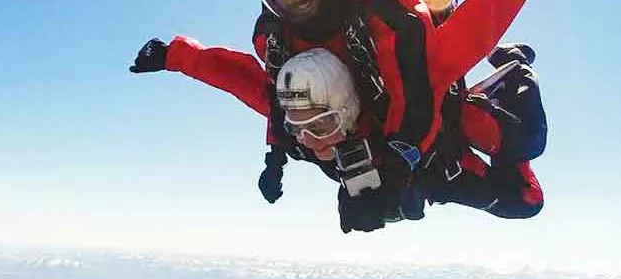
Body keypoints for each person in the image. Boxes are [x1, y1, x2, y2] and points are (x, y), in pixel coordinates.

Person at [130, 0, 547, 231]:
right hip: (411, 166)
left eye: (322, 124)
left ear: (350, 112)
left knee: (526, 176)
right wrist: (175, 55)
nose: (313, 139)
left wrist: (395, 181)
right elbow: (244, 80)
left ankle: (514, 68)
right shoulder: (298, 105)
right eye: (303, 126)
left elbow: (479, 22)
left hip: (439, 131)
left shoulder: (402, 51)